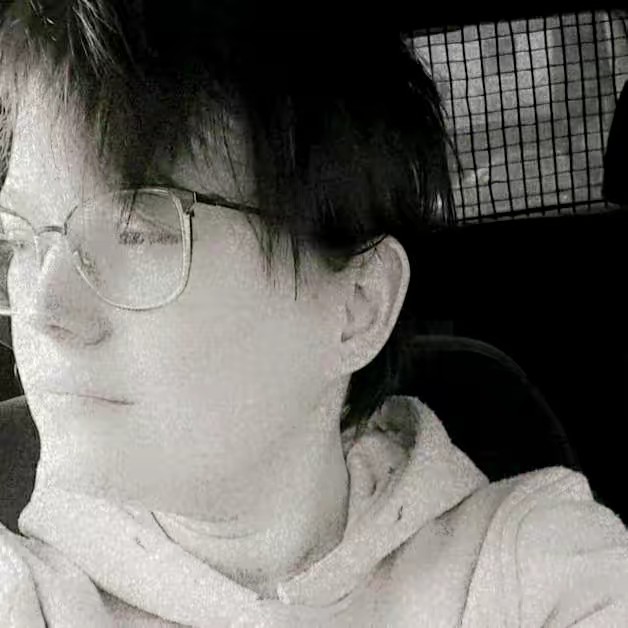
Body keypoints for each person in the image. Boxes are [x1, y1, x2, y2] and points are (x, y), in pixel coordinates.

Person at [0, 1, 626, 625]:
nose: (43, 310)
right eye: (19, 239)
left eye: (135, 232)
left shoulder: (532, 574)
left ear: (357, 306)